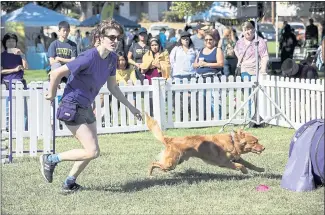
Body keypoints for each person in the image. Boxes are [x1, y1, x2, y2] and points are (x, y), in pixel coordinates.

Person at [40, 19, 143, 193]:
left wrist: (131, 108)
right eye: (111, 37)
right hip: (71, 105)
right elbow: (56, 72)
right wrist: (51, 94)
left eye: (118, 38)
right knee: (92, 151)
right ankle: (50, 159)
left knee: (91, 150)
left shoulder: (112, 59)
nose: (115, 41)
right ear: (100, 37)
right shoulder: (88, 57)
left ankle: (69, 183)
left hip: (86, 106)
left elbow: (113, 87)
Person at [193, 30, 224, 119]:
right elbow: (194, 64)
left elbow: (220, 64)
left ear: (214, 40)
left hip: (213, 78)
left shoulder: (217, 50)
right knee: (202, 99)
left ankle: (218, 118)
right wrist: (199, 64)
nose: (208, 41)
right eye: (206, 40)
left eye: (210, 39)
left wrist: (207, 64)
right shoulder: (201, 50)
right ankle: (205, 118)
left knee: (215, 99)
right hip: (201, 78)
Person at [1, 32, 29, 130]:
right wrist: (14, 69)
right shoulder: (2, 55)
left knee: (23, 108)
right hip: (7, 83)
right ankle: (7, 128)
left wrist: (22, 55)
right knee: (8, 108)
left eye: (13, 41)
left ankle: (24, 128)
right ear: (5, 43)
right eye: (9, 41)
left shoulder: (19, 54)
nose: (11, 43)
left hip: (20, 82)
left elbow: (26, 67)